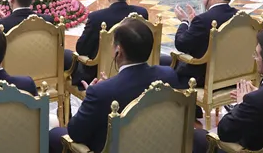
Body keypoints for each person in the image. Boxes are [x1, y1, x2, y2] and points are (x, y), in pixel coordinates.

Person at [49, 19, 181, 153]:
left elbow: (75, 133)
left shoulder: (100, 92)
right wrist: (106, 87)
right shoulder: (169, 75)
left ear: (118, 51)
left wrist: (91, 97)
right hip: (159, 146)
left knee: (53, 134)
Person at [65, 0, 149, 85]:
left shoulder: (97, 18)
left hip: (99, 75)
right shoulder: (141, 13)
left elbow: (82, 49)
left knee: (65, 55)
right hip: (134, 70)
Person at [163, 0, 237, 86]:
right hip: (231, 75)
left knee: (160, 63)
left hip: (201, 77)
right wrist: (194, 23)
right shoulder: (239, 16)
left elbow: (181, 44)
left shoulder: (203, 20)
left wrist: (184, 22)